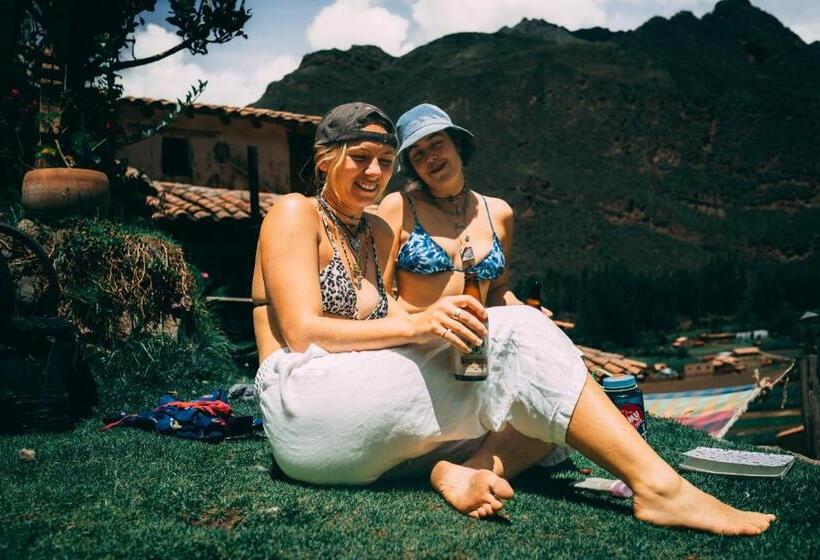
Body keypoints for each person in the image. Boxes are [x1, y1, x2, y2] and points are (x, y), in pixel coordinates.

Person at [252, 102, 775, 535]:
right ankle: (661, 489)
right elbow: (303, 333)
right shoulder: (294, 212)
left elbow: (395, 319)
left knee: (548, 408)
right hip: (304, 405)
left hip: (354, 415)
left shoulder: (375, 233)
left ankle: (462, 469)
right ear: (324, 159)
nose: (375, 173)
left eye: (385, 161)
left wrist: (454, 324)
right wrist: (422, 325)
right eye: (360, 158)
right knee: (528, 348)